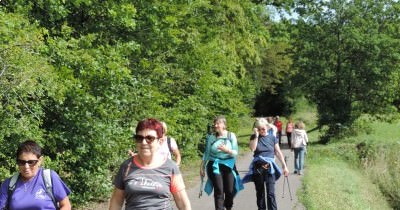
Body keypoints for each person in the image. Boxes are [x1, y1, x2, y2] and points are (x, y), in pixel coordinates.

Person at [109, 118, 191, 210]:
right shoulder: (126, 166)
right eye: (139, 138)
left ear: (160, 141)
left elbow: (183, 204)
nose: (144, 142)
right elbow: (116, 201)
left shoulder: (170, 167)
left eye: (149, 138)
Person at [0, 140, 72, 210]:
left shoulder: (49, 178)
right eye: (22, 162)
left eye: (31, 162)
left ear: (40, 160)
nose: (26, 167)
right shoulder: (9, 184)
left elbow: (66, 205)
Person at [242, 118, 289, 210]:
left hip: (270, 167)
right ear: (256, 129)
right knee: (260, 193)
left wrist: (284, 166)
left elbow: (278, 152)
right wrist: (256, 136)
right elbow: (253, 149)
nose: (261, 131)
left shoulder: (272, 138)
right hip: (258, 167)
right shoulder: (254, 137)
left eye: (263, 128)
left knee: (271, 193)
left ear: (267, 127)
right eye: (259, 129)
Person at [200, 116, 243, 210]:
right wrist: (202, 167)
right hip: (215, 166)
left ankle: (228, 207)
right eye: (214, 123)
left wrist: (227, 150)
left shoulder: (231, 135)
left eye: (217, 123)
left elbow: (235, 152)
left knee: (229, 190)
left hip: (229, 165)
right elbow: (207, 153)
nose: (215, 125)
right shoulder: (211, 137)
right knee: (219, 190)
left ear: (224, 125)